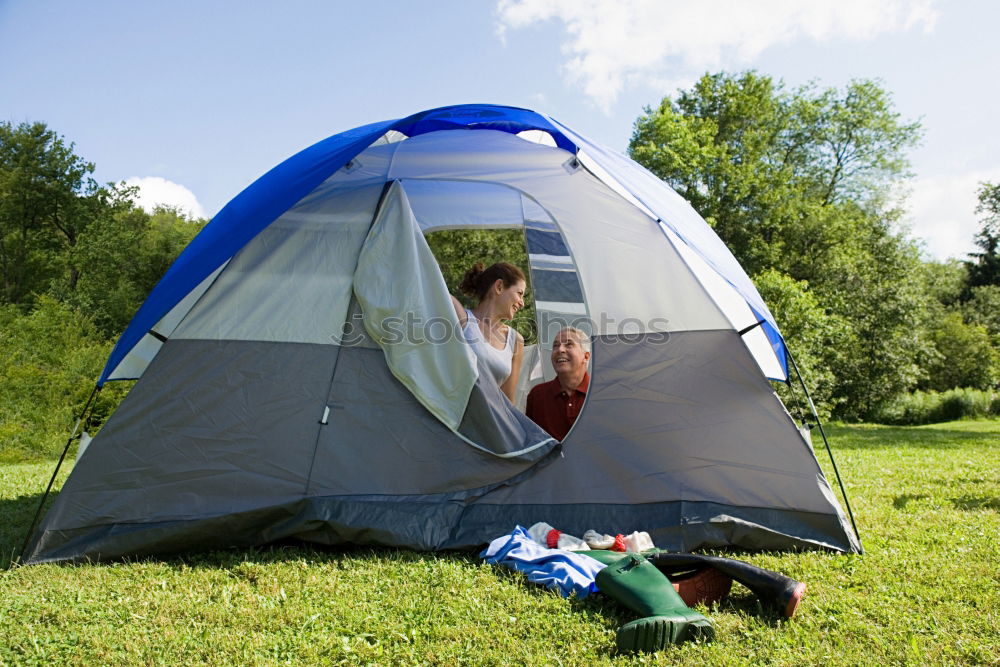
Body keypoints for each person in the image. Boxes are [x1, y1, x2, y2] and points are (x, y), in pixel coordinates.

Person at [450, 261, 526, 404]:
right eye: (519, 293)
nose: (522, 303)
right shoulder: (461, 319)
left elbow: (508, 401)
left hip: (489, 423)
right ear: (499, 287)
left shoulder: (515, 340)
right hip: (454, 417)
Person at [525, 327, 590, 440]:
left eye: (569, 344)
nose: (560, 350)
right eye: (555, 345)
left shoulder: (600, 395)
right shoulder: (537, 395)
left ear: (586, 356)